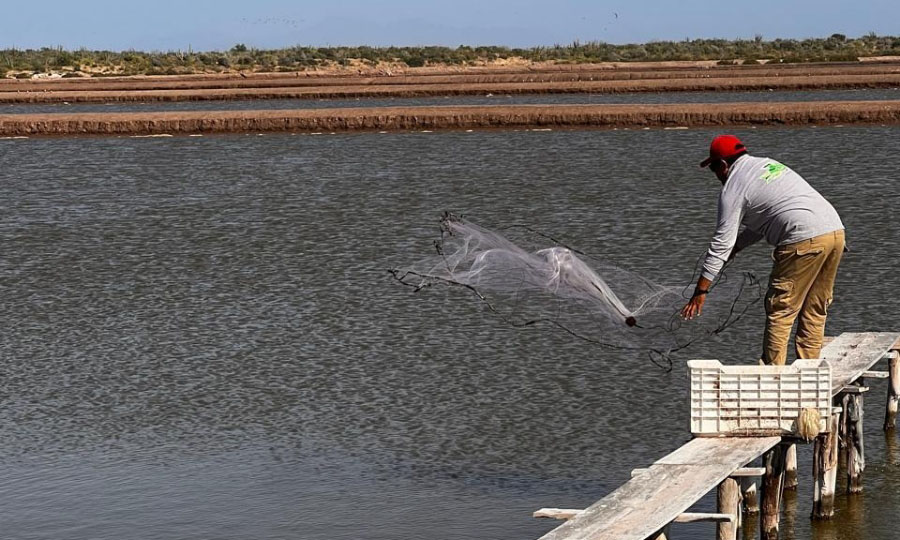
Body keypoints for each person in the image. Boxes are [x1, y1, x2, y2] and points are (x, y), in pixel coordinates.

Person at [680, 135, 845, 365]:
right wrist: (738, 247)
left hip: (802, 238)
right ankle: (810, 373)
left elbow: (720, 244)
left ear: (723, 165)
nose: (716, 175)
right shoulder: (766, 165)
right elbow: (767, 219)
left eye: (713, 169)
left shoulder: (733, 187)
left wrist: (701, 291)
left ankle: (773, 377)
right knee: (815, 309)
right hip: (835, 232)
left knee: (781, 310)